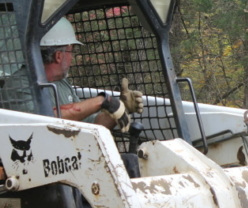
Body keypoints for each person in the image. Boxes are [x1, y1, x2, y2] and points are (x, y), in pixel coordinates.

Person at [1, 17, 143, 132]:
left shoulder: (62, 84)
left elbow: (91, 126)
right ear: (58, 55)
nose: (72, 58)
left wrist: (120, 109)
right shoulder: (20, 83)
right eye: (71, 51)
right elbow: (43, 121)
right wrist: (101, 101)